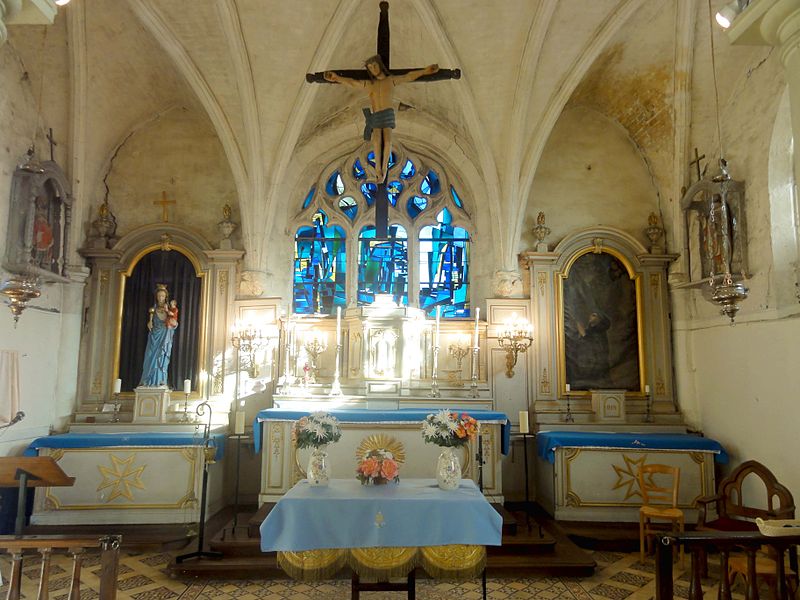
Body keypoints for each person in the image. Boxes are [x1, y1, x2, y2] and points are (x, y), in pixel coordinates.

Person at [324, 55, 438, 182]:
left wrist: (425, 71)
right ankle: (378, 169)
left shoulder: (391, 81)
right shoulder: (369, 85)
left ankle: (384, 169)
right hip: (376, 115)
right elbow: (352, 82)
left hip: (387, 115)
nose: (373, 69)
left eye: (374, 65)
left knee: (388, 141)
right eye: (370, 68)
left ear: (380, 65)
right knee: (377, 141)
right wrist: (337, 78)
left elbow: (408, 76)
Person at [139, 284, 179, 387]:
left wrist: (170, 323)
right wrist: (150, 323)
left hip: (165, 336)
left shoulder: (170, 310)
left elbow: (174, 323)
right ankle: (147, 380)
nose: (161, 298)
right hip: (154, 337)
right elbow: (150, 323)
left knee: (162, 358)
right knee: (150, 356)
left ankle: (161, 380)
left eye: (162, 296)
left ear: (165, 297)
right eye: (159, 296)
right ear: (156, 297)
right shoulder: (153, 310)